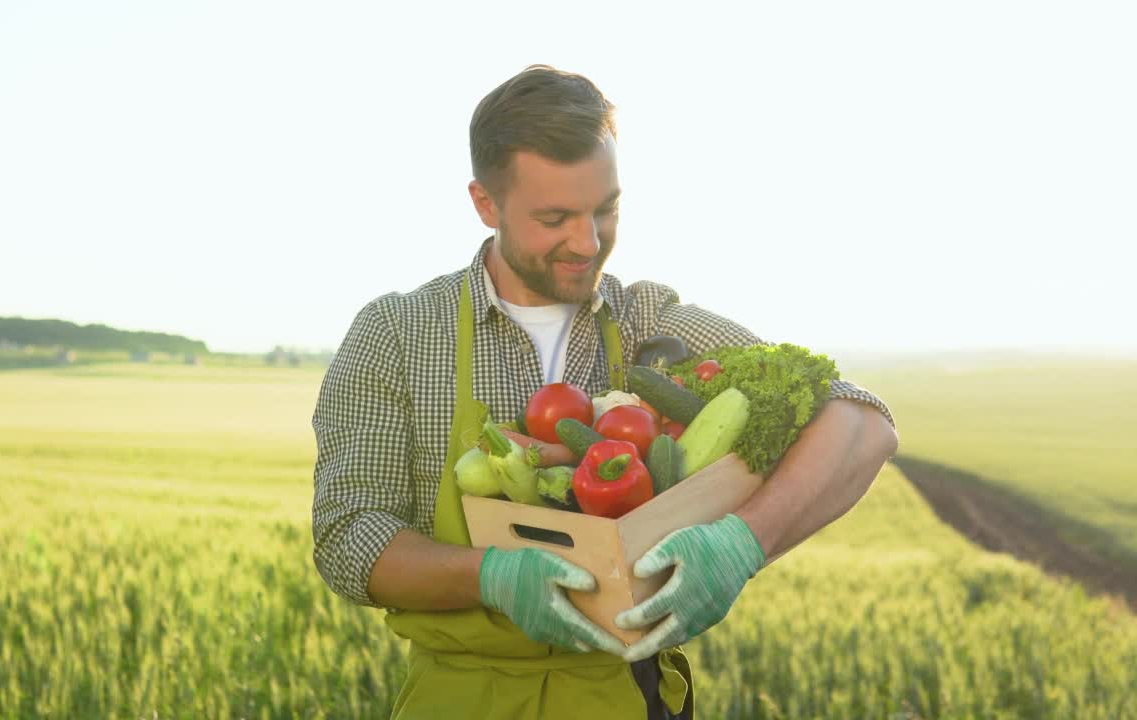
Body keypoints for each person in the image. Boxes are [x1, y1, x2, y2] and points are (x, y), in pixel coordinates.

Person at [311, 64, 899, 720]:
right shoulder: (394, 333)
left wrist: (744, 544)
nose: (588, 243)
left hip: (628, 697)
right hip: (461, 700)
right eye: (556, 217)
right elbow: (348, 536)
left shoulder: (649, 323)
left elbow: (860, 422)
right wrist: (489, 576)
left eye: (606, 209)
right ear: (485, 203)